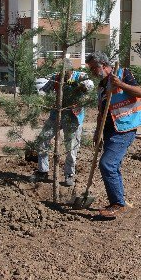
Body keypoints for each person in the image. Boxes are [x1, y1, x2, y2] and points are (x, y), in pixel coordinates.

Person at [85, 52, 141, 219]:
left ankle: (117, 204)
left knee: (107, 164)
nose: (92, 73)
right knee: (113, 165)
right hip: (110, 130)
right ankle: (120, 201)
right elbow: (101, 112)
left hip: (126, 127)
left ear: (103, 66)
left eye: (93, 69)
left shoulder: (123, 74)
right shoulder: (102, 87)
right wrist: (97, 132)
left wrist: (121, 84)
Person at [31, 59, 94, 187]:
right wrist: (35, 98)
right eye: (61, 73)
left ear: (71, 70)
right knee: (43, 139)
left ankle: (69, 174)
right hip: (56, 114)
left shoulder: (80, 76)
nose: (63, 75)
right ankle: (43, 171)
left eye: (65, 73)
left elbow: (90, 85)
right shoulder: (55, 77)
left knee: (71, 148)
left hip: (73, 116)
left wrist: (79, 85)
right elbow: (44, 91)